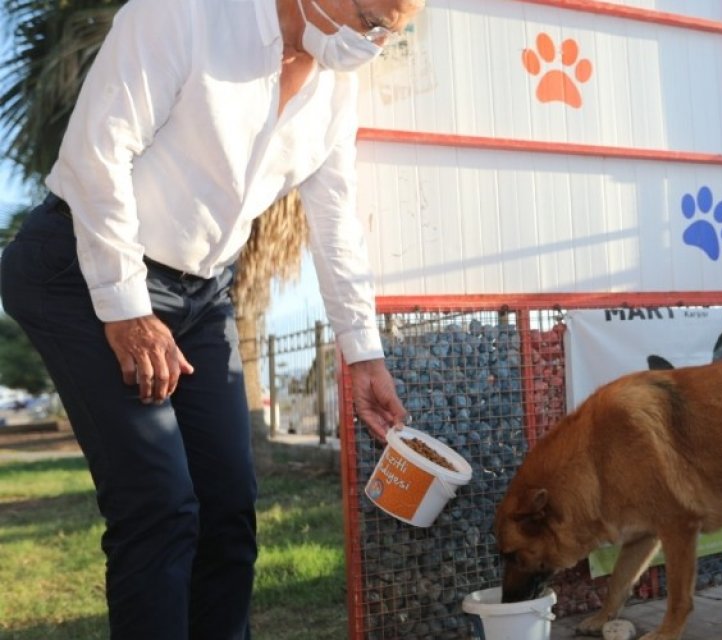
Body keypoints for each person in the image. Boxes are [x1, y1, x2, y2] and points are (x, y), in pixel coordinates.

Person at [0, 0, 424, 636]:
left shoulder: (336, 90)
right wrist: (127, 310)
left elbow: (335, 224)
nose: (377, 44)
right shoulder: (183, 14)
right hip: (84, 273)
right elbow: (96, 158)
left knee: (228, 510)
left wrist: (363, 353)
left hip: (201, 294)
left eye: (393, 32)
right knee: (159, 505)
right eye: (372, 20)